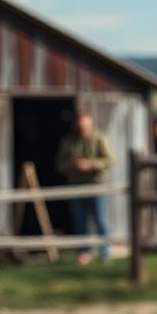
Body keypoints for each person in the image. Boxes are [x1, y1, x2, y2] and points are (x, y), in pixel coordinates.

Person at [56, 109, 114, 264]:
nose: (82, 125)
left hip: (96, 184)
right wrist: (72, 166)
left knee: (100, 218)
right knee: (80, 220)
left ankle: (105, 251)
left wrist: (90, 165)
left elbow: (109, 160)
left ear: (90, 121)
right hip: (76, 185)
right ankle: (84, 252)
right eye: (79, 122)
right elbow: (59, 164)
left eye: (84, 121)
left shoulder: (99, 138)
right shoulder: (69, 141)